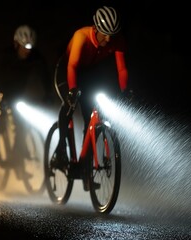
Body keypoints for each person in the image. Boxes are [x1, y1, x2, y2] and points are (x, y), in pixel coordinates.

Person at [54, 6, 129, 180]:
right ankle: (61, 149)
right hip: (67, 70)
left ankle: (83, 162)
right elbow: (71, 66)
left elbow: (122, 69)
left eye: (113, 34)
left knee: (92, 118)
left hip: (88, 72)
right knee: (69, 105)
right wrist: (72, 91)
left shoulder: (117, 39)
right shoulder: (81, 36)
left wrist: (124, 91)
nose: (109, 38)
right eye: (105, 33)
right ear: (96, 28)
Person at [0, 24, 53, 177]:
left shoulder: (36, 57)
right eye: (24, 47)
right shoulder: (4, 55)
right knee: (1, 118)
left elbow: (45, 76)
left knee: (22, 126)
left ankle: (17, 163)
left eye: (30, 48)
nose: (27, 51)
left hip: (17, 94)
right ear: (16, 44)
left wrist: (49, 95)